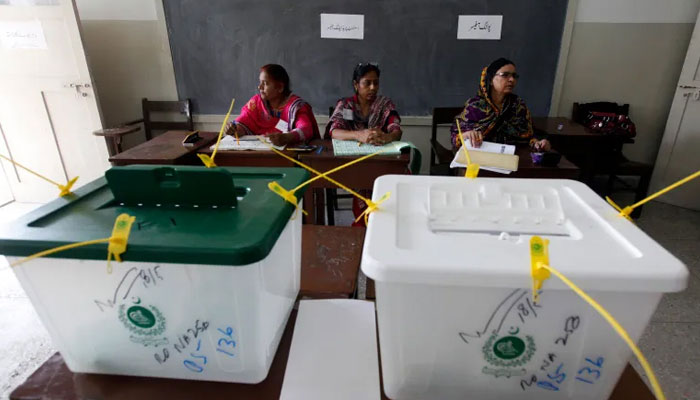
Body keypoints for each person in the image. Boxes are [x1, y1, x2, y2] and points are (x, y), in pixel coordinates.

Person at [451, 58, 550, 152]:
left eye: (514, 76)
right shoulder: (475, 106)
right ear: (490, 80)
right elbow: (456, 138)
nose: (511, 79)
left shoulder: (518, 105)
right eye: (505, 75)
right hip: (480, 158)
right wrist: (466, 135)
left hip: (513, 157)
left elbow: (529, 136)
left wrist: (538, 143)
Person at [225, 64, 319, 146]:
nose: (259, 87)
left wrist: (288, 137)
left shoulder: (295, 107)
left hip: (287, 155)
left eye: (265, 83)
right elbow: (243, 123)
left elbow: (306, 129)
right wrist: (234, 129)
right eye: (260, 82)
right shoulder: (256, 103)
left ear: (280, 87)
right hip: (258, 153)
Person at [328, 62, 402, 144]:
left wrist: (387, 137)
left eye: (376, 83)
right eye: (367, 83)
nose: (372, 88)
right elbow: (334, 132)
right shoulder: (346, 105)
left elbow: (397, 131)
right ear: (356, 85)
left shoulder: (384, 104)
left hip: (378, 152)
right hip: (349, 154)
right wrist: (358, 135)